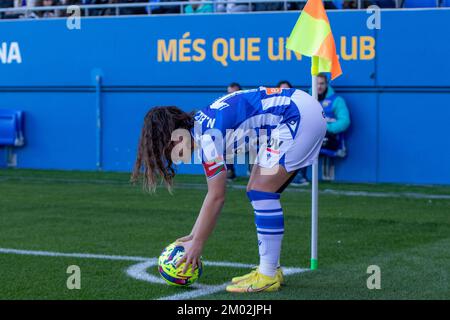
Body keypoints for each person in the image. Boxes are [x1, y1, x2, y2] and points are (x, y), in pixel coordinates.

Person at [131, 86, 327, 292]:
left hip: (297, 116)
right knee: (257, 189)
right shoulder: (203, 123)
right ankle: (271, 270)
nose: (172, 155)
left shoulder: (207, 138)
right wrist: (193, 234)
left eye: (167, 148)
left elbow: (216, 196)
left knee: (262, 191)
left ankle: (268, 274)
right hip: (298, 110)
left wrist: (197, 243)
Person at [276, 81, 310, 187]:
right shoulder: (274, 106)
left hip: (293, 136)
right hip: (276, 137)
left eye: (287, 90)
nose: (284, 93)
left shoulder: (298, 105)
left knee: (301, 144)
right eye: (282, 90)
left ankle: (298, 176)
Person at [316, 73, 350, 152]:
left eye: (322, 83)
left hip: (330, 142)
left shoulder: (337, 100)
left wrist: (327, 128)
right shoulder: (308, 99)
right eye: (316, 84)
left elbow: (345, 121)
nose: (319, 86)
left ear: (326, 84)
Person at [224, 82, 241, 181]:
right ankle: (229, 171)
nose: (231, 96)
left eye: (234, 93)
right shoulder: (224, 106)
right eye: (229, 93)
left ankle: (252, 170)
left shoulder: (248, 104)